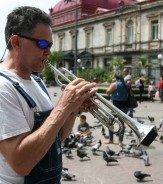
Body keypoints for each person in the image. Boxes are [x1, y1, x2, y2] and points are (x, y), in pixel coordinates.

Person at [0, 6, 98, 184]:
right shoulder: (3, 87)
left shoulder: (37, 82)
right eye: (42, 44)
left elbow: (56, 140)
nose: (49, 52)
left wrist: (73, 110)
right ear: (16, 42)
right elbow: (21, 163)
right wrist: (63, 107)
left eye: (50, 45)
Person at [104, 72, 130, 147]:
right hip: (125, 106)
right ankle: (120, 141)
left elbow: (107, 92)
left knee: (110, 122)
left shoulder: (115, 84)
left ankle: (111, 139)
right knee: (122, 123)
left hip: (115, 106)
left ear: (116, 78)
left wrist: (112, 83)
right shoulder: (127, 84)